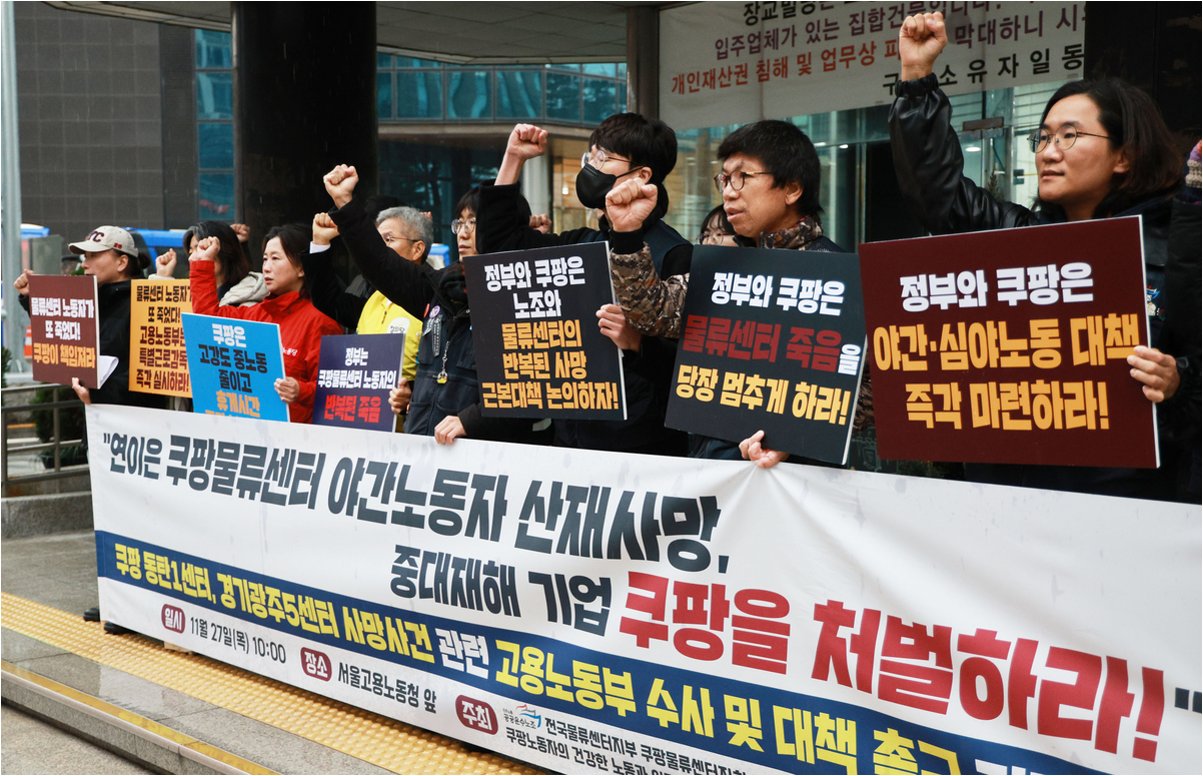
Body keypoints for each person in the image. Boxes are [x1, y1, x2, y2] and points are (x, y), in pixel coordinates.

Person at [888, 11, 1191, 501]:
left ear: (1124, 156)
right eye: (1044, 137)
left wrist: (1178, 380)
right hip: (1003, 500)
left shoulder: (1179, 250)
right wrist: (917, 79)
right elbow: (938, 195)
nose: (1048, 152)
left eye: (1069, 135)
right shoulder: (1018, 238)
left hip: (1126, 507)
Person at [606, 119, 868, 463]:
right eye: (725, 179)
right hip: (715, 465)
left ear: (792, 189)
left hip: (795, 479)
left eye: (743, 177)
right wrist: (627, 233)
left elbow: (869, 393)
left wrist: (793, 437)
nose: (729, 192)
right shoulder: (728, 268)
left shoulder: (837, 275)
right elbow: (651, 313)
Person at [475, 114, 691, 456]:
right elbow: (500, 250)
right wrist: (513, 158)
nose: (592, 166)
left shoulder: (674, 252)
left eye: (604, 158)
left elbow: (687, 367)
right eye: (591, 155)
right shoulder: (583, 242)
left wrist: (637, 343)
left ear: (642, 175)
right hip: (571, 435)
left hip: (640, 444)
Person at [15, 225, 168, 632]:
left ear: (122, 261)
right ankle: (117, 601)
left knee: (140, 518)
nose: (85, 263)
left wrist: (100, 392)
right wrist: (32, 300)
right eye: (83, 255)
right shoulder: (89, 301)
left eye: (94, 255)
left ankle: (142, 605)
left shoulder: (146, 302)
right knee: (108, 517)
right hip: (100, 428)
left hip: (139, 432)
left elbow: (152, 372)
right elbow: (66, 342)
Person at [323, 164, 545, 446]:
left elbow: (538, 390)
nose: (463, 233)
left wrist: (471, 419)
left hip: (488, 459)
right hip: (425, 451)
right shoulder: (440, 288)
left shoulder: (531, 301)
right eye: (460, 223)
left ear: (505, 228)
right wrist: (345, 202)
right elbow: (380, 265)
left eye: (474, 223)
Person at [189, 224, 341, 424]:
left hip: (297, 437)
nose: (267, 267)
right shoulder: (256, 313)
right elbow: (208, 320)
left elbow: (336, 391)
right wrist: (203, 263)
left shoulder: (320, 323)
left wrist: (300, 390)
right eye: (264, 259)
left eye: (275, 258)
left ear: (301, 268)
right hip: (250, 430)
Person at [310, 206, 428, 422]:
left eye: (388, 240)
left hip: (414, 430)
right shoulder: (374, 298)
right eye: (375, 241)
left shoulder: (435, 301)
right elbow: (328, 299)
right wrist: (320, 243)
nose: (377, 249)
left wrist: (412, 394)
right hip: (363, 425)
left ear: (417, 249)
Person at [156, 221, 265, 307]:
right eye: (191, 251)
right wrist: (163, 277)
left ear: (223, 249)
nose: (192, 258)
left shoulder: (247, 304)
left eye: (200, 249)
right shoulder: (190, 295)